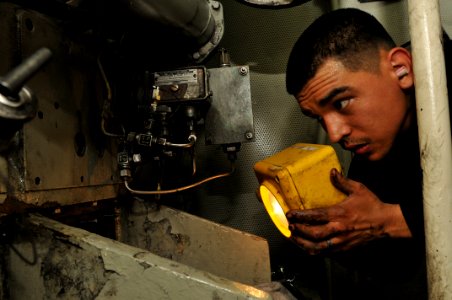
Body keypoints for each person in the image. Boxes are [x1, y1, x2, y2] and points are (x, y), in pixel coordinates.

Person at [284, 8, 451, 300]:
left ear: (402, 69)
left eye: (342, 102)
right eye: (319, 118)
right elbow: (395, 268)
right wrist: (336, 236)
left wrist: (388, 220)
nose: (335, 134)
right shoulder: (372, 156)